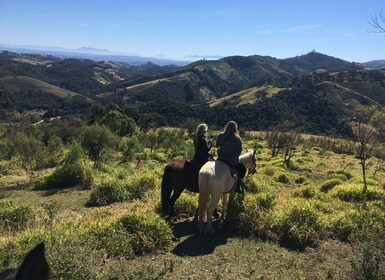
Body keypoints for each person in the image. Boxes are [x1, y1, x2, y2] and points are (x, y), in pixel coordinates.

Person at [216, 121, 246, 193]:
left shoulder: (220, 135)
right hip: (232, 161)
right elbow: (239, 151)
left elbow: (217, 145)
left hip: (220, 159)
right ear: (235, 128)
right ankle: (237, 187)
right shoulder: (237, 138)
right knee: (243, 169)